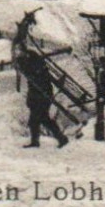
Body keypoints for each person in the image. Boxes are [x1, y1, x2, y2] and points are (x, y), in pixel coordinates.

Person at [14, 13, 68, 149]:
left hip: (42, 94)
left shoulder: (33, 60)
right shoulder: (29, 59)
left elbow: (36, 75)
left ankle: (52, 139)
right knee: (41, 119)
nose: (19, 54)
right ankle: (55, 139)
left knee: (39, 119)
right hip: (38, 93)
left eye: (20, 52)